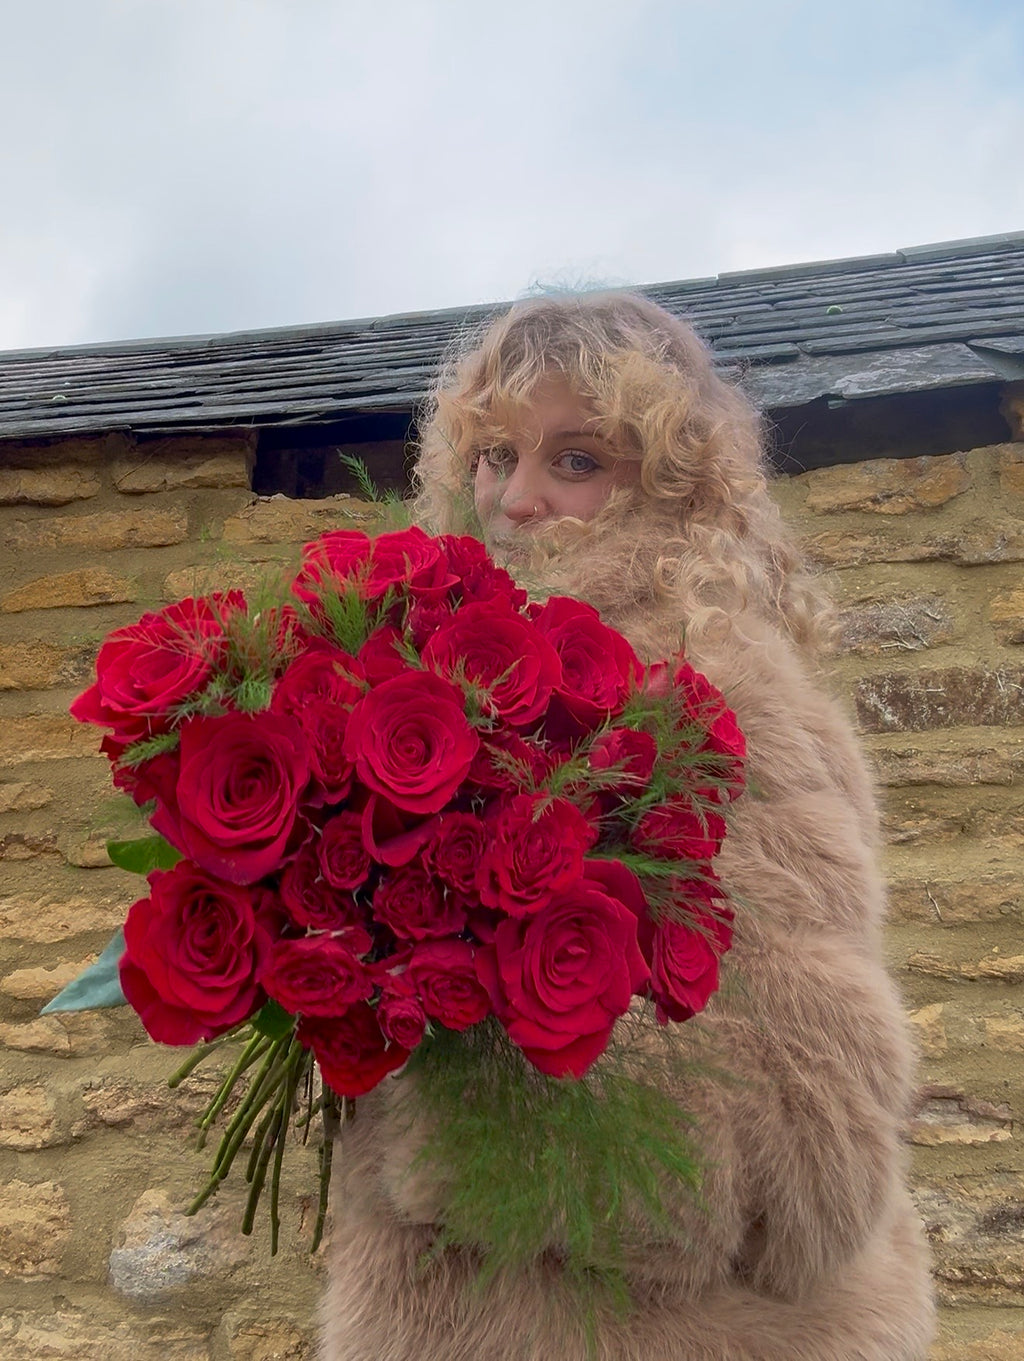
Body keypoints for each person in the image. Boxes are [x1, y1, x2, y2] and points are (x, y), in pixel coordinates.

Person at [319, 293, 936, 1360]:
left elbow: (812, 1157)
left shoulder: (712, 700)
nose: (513, 500)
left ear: (670, 485)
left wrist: (457, 1137)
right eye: (493, 455)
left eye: (574, 461)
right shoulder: (423, 685)